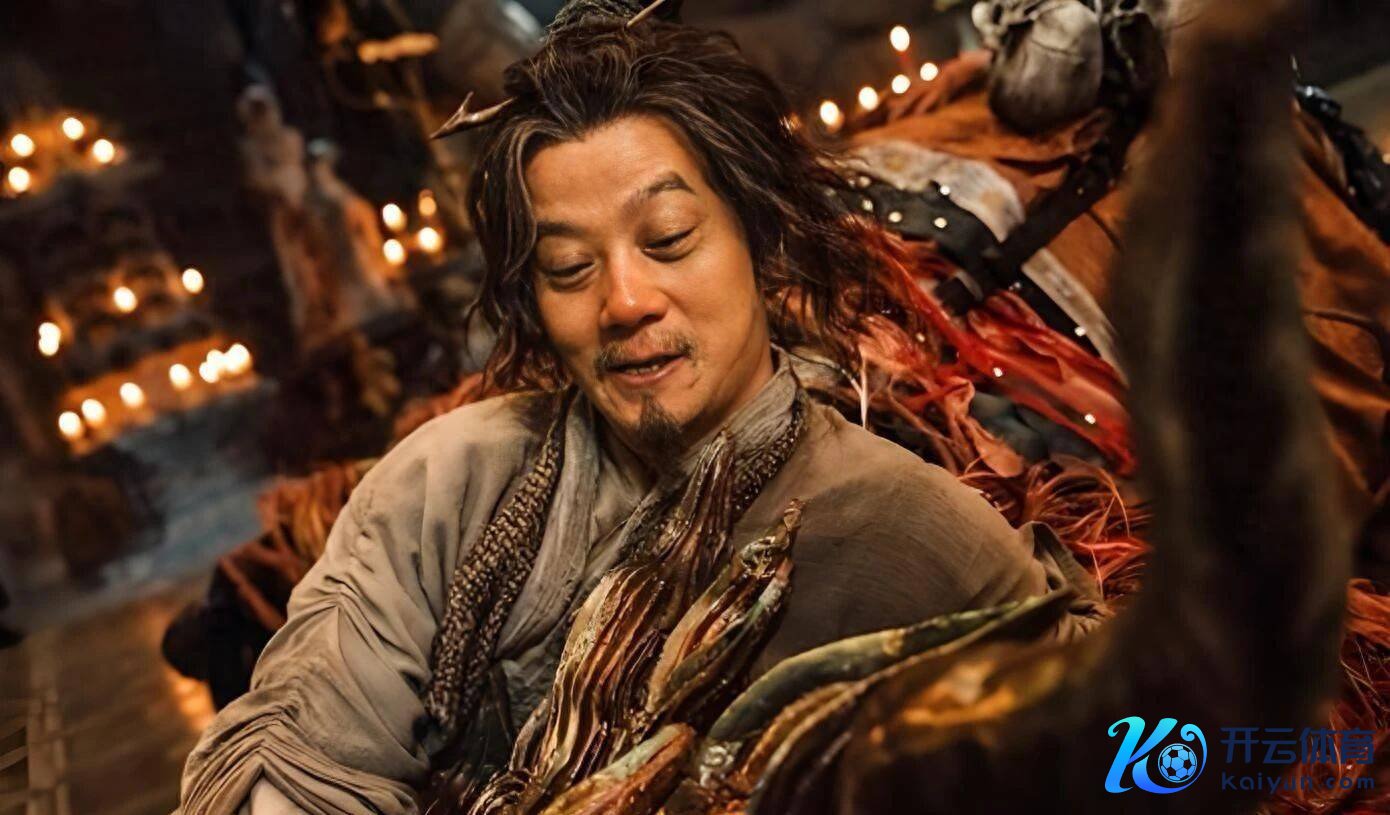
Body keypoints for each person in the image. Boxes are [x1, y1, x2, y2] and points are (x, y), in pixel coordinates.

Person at [180, 10, 1102, 815]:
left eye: (668, 240)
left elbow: (1135, 749)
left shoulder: (907, 527)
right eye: (569, 268)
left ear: (759, 239)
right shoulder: (452, 482)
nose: (624, 301)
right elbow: (306, 749)